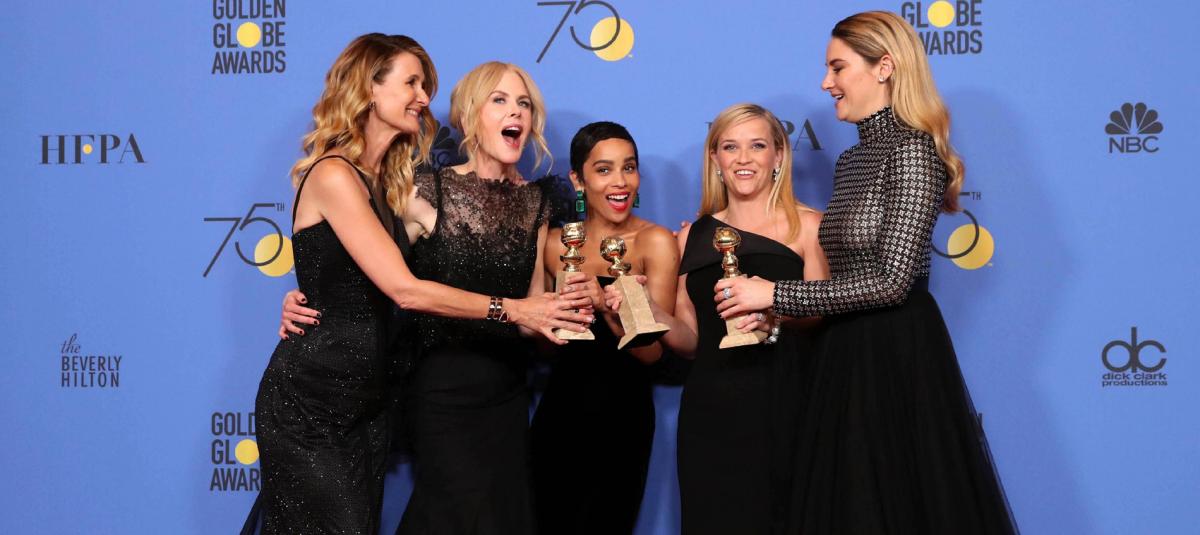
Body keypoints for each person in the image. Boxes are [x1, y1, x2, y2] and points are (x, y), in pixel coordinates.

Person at [254, 37, 589, 534]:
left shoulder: (382, 183)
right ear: (369, 88)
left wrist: (558, 309)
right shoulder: (338, 175)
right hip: (317, 397)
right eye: (411, 83)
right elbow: (404, 289)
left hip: (370, 400)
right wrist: (516, 309)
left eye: (425, 86)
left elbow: (359, 274)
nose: (424, 97)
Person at [713, 12, 1018, 533]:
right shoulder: (852, 160)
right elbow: (842, 277)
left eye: (837, 67)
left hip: (897, 356)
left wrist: (775, 294)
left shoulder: (914, 151)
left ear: (885, 67)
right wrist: (776, 312)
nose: (825, 83)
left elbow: (893, 282)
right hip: (842, 353)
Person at [611, 104, 827, 534]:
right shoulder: (692, 236)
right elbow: (690, 338)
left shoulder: (808, 225)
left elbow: (820, 311)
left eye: (757, 146)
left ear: (779, 155)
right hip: (710, 409)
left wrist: (774, 314)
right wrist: (645, 308)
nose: (743, 158)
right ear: (715, 158)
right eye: (730, 147)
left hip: (785, 403)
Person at [394, 61, 577, 534]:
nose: (516, 111)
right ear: (469, 114)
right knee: (450, 515)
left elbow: (531, 309)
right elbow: (382, 278)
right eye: (500, 100)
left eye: (524, 104)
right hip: (441, 389)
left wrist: (563, 314)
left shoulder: (538, 204)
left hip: (506, 391)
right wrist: (315, 299)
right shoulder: (426, 191)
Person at [530, 121, 678, 534]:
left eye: (628, 167)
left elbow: (652, 353)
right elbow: (544, 349)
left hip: (623, 418)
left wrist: (608, 308)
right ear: (578, 180)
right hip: (560, 412)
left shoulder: (655, 242)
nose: (620, 181)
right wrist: (556, 315)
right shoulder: (555, 243)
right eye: (604, 169)